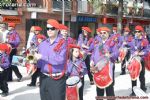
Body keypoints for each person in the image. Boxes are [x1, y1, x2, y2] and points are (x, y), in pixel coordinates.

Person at [35, 19, 67, 100]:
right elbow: (39, 63)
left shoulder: (63, 43)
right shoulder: (42, 44)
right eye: (47, 28)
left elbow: (60, 59)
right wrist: (32, 61)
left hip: (57, 79)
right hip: (43, 78)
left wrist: (42, 57)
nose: (49, 30)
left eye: (52, 28)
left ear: (57, 30)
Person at [90, 27, 119, 97]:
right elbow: (93, 53)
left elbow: (116, 53)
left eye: (104, 33)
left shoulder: (112, 43)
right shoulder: (97, 43)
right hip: (98, 69)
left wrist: (110, 55)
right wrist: (91, 60)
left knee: (109, 89)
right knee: (99, 89)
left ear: (108, 34)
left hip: (107, 69)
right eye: (101, 33)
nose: (102, 34)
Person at [129, 25, 149, 96]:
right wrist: (133, 53)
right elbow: (131, 49)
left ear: (141, 32)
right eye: (136, 31)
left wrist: (141, 53)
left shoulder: (145, 40)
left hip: (142, 59)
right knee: (133, 75)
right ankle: (133, 91)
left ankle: (143, 88)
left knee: (141, 75)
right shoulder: (133, 40)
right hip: (134, 59)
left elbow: (147, 50)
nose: (137, 33)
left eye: (138, 31)